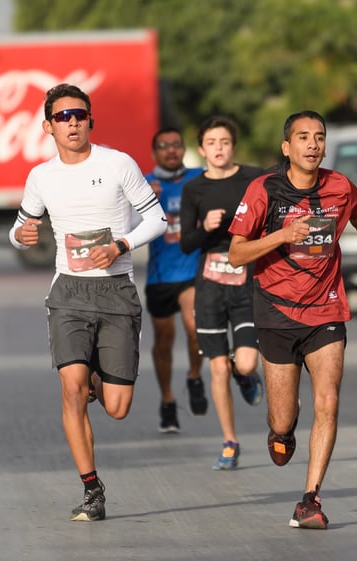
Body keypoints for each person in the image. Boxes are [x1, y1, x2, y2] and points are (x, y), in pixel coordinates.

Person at [9, 83, 166, 522]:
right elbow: (19, 227)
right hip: (69, 295)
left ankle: (97, 374)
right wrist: (20, 236)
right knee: (71, 388)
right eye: (62, 117)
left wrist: (120, 245)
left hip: (116, 290)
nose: (72, 122)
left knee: (117, 408)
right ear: (48, 126)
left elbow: (157, 218)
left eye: (79, 115)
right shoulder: (41, 176)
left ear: (90, 120)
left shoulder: (118, 164)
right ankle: (91, 489)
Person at [228, 110, 357, 529]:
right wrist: (282, 235)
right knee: (281, 419)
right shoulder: (264, 190)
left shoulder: (340, 186)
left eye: (319, 137)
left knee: (328, 400)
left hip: (327, 309)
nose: (312, 144)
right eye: (303, 137)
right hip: (276, 312)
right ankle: (283, 430)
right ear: (287, 147)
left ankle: (310, 498)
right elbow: (236, 253)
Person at [179, 115, 265, 470]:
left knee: (244, 361)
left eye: (224, 142)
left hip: (247, 283)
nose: (218, 148)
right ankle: (230, 442)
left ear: (233, 146)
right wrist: (205, 227)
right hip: (210, 286)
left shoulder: (254, 179)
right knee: (216, 369)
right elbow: (186, 244)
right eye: (211, 143)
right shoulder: (193, 189)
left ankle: (244, 375)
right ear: (201, 150)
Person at [144, 127, 207, 433]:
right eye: (163, 146)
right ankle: (167, 400)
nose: (171, 150)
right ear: (154, 152)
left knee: (195, 327)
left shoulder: (200, 178)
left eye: (176, 145)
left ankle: (195, 375)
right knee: (164, 341)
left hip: (191, 272)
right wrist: (142, 202)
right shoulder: (144, 184)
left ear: (184, 149)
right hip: (159, 276)